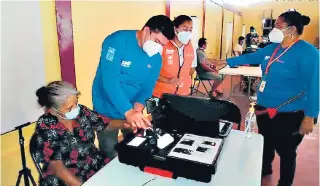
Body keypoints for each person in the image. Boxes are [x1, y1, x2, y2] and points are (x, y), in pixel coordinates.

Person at [214, 10, 319, 186]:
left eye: (278, 26)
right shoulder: (273, 48)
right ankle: (265, 169)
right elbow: (252, 56)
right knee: (265, 142)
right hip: (264, 107)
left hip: (290, 112)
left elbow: (315, 86)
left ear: (291, 29)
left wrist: (310, 116)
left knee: (286, 151)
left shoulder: (309, 53)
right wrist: (228, 61)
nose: (273, 29)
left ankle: (285, 182)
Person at [92, 15, 175, 159]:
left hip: (132, 110)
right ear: (147, 30)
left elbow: (146, 88)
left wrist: (137, 109)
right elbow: (110, 79)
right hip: (106, 106)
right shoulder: (116, 41)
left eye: (162, 45)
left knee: (135, 149)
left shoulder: (156, 59)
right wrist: (127, 111)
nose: (158, 47)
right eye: (156, 41)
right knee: (109, 151)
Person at [34, 81, 122, 186]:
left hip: (92, 162)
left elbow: (106, 124)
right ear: (53, 111)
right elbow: (57, 166)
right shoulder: (45, 125)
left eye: (76, 103)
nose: (75, 109)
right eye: (69, 108)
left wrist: (129, 123)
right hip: (64, 175)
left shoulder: (82, 112)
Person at [152, 15, 197, 98]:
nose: (188, 32)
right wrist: (167, 80)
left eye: (190, 30)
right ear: (175, 29)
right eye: (185, 29)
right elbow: (150, 71)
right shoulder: (163, 45)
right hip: (162, 94)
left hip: (183, 94)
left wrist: (182, 78)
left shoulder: (191, 47)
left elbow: (192, 68)